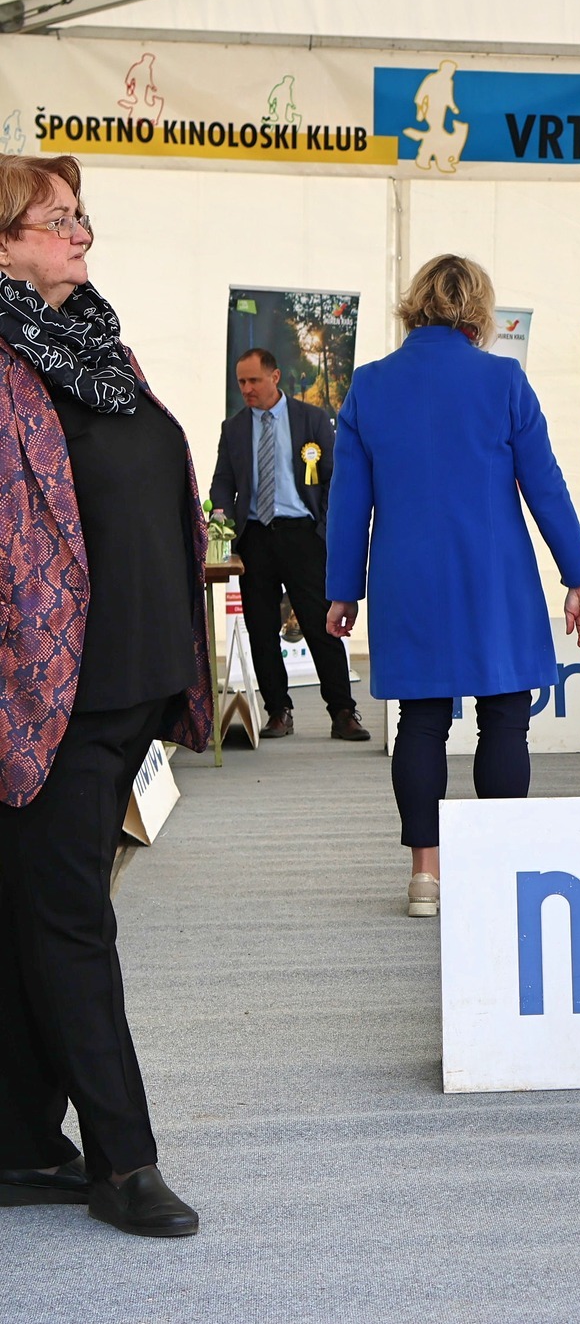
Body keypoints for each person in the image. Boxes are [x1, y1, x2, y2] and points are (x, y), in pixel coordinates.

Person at [0, 153, 209, 1236]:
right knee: (71, 921)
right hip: (43, 700)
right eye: (55, 218)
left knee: (34, 910)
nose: (82, 232)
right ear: (2, 241)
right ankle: (123, 1164)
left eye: (83, 215)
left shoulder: (96, 347)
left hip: (131, 686)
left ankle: (23, 1138)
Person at [323, 255, 580, 919]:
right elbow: (547, 488)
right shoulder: (504, 379)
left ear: (414, 305)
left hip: (406, 574)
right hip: (494, 572)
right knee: (504, 714)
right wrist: (579, 574)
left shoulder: (370, 385)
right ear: (479, 310)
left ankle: (426, 878)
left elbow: (347, 501)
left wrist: (342, 590)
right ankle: (499, 871)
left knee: (419, 720)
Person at [207, 347, 369, 741]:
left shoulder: (311, 419)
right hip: (255, 538)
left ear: (275, 377)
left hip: (303, 535)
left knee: (320, 625)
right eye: (241, 382)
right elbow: (223, 482)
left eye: (254, 380)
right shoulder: (234, 428)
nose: (247, 388)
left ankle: (343, 712)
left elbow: (335, 477)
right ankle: (278, 711)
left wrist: (325, 529)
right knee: (261, 629)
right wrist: (220, 516)